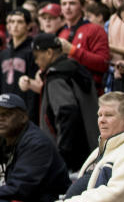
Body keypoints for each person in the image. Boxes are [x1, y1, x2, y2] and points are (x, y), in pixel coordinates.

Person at [30, 33, 100, 172]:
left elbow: (67, 115)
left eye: (37, 56)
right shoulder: (77, 67)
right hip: (91, 149)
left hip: (72, 158)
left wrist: (63, 155)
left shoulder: (57, 76)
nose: (36, 62)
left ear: (49, 53)